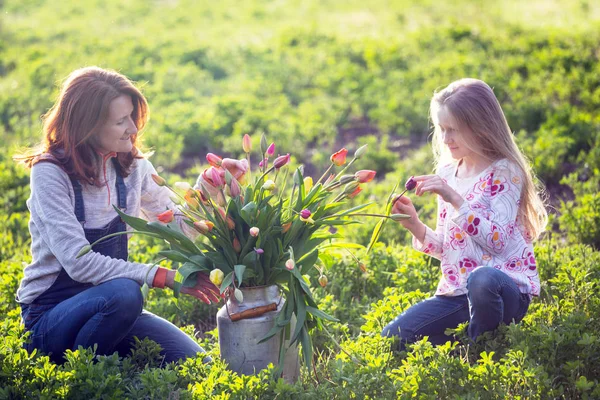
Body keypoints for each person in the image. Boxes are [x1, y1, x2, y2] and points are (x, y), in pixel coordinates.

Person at [14, 66, 222, 364]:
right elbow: (79, 262)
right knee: (126, 293)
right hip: (50, 318)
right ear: (88, 127)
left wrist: (208, 188)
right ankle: (85, 372)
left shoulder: (132, 166)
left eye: (132, 118)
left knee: (196, 361)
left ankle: (109, 355)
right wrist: (163, 277)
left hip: (113, 309)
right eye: (121, 121)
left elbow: (177, 227)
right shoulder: (50, 173)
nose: (133, 130)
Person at [382, 78, 548, 349]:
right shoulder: (448, 172)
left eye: (453, 130)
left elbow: (498, 242)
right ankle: (471, 342)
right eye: (441, 129)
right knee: (393, 337)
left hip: (502, 292)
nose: (445, 139)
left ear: (480, 128)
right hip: (457, 294)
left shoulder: (505, 171)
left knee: (481, 279)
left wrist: (456, 199)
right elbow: (449, 249)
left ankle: (482, 348)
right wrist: (415, 225)